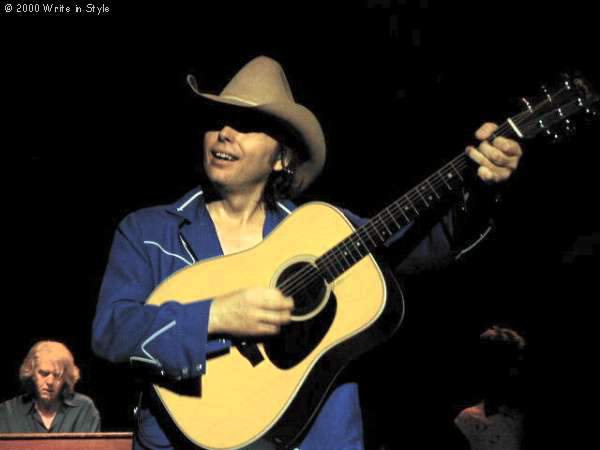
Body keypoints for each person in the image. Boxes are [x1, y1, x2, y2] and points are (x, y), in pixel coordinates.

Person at [91, 56, 523, 449]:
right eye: (219, 120)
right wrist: (215, 316)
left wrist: (481, 191)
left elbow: (423, 247)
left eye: (247, 124)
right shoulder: (148, 231)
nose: (224, 132)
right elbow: (113, 333)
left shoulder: (320, 230)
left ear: (281, 159)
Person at [0, 340, 101, 433]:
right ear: (32, 373)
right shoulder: (8, 412)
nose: (50, 381)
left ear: (66, 378)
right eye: (44, 373)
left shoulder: (83, 409)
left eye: (58, 375)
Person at [454, 326, 528, 450]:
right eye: (505, 364)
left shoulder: (523, 416)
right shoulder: (468, 420)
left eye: (516, 363)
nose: (514, 372)